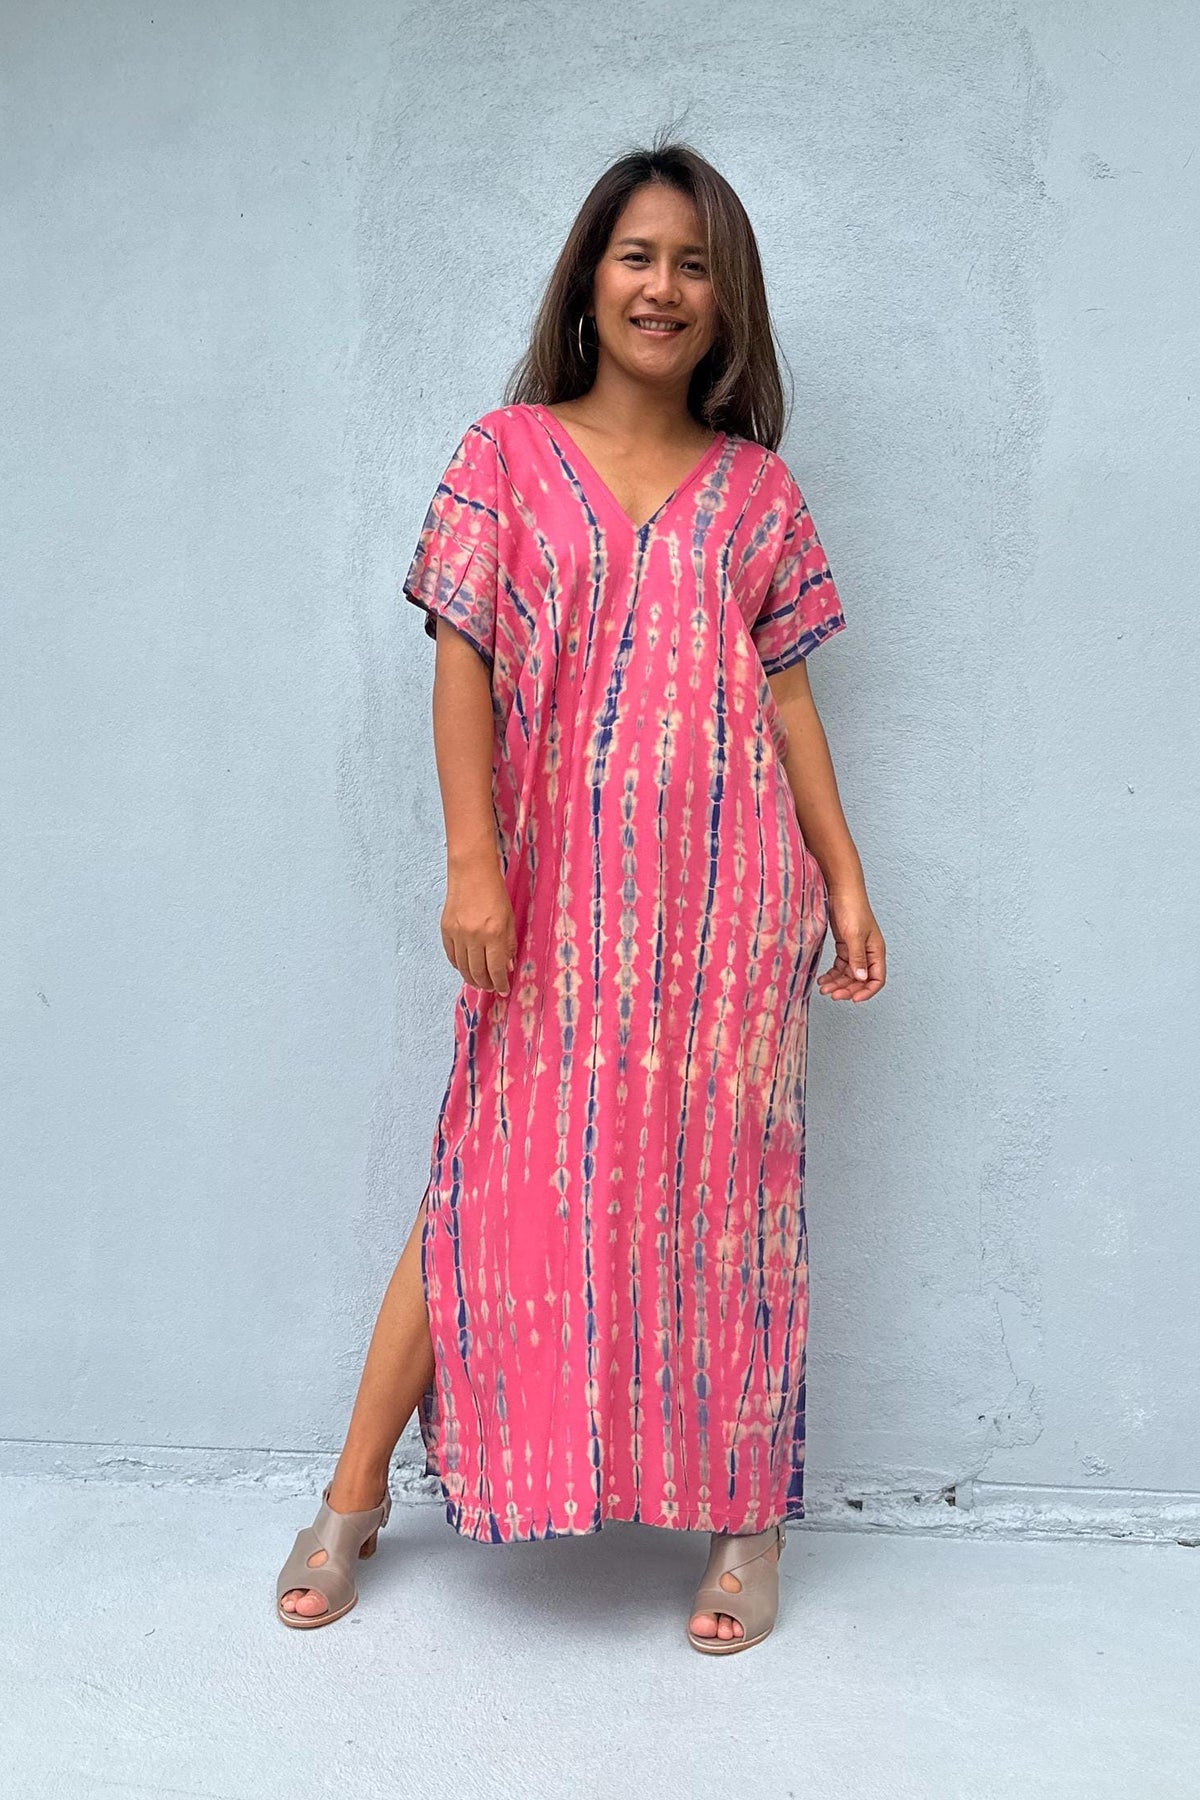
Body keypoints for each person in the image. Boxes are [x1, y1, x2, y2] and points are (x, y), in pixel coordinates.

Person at [276, 134, 886, 1655]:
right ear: (590, 277)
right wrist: (475, 862)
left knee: (729, 1199)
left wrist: (847, 881)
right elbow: (462, 657)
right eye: (637, 256)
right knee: (486, 1181)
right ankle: (350, 1498)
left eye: (692, 263)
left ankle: (748, 1523)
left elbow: (792, 702)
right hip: (551, 905)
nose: (662, 286)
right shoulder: (505, 453)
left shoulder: (756, 491)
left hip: (730, 909)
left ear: (724, 299)